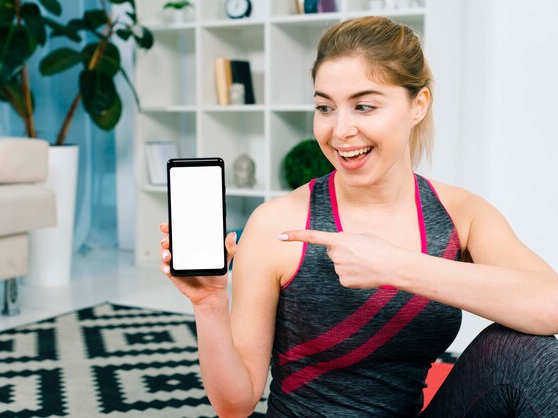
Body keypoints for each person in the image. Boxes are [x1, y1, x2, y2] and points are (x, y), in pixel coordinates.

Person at [159, 16, 558, 417]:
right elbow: (235, 404)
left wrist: (395, 265)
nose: (340, 130)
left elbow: (551, 304)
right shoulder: (278, 225)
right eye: (324, 107)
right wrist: (210, 304)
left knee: (527, 350)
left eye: (364, 106)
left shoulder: (461, 214)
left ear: (418, 105)